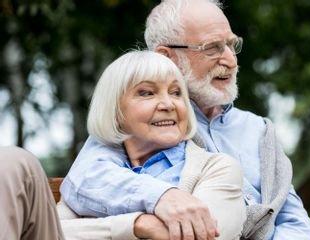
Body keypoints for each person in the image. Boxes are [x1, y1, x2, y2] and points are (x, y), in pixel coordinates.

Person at [61, 0, 310, 239]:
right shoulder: (144, 126)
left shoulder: (259, 129)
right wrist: (160, 199)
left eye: (231, 45)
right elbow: (86, 178)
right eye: (212, 48)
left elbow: (292, 218)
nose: (230, 60)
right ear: (166, 56)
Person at [0, 50, 246, 240]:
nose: (168, 104)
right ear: (115, 111)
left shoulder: (217, 169)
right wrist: (140, 224)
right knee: (11, 161)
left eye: (175, 92)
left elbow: (207, 236)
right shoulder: (93, 169)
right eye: (147, 93)